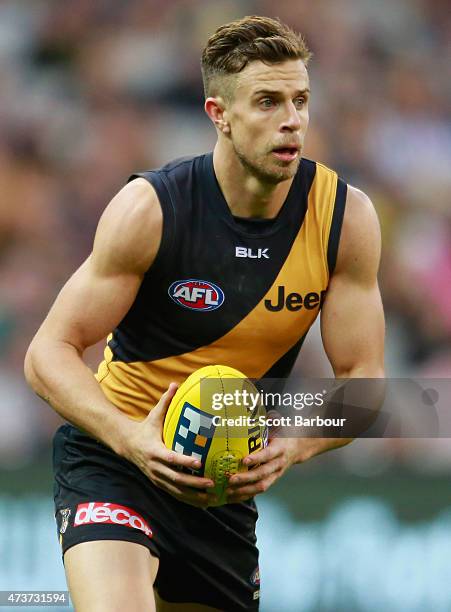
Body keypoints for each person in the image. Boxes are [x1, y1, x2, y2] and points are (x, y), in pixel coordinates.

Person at [24, 15, 385, 612]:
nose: (291, 119)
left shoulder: (345, 219)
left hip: (220, 486)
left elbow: (366, 385)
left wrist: (291, 445)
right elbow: (46, 355)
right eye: (267, 102)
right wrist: (130, 439)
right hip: (115, 459)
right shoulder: (151, 209)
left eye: (300, 100)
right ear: (218, 114)